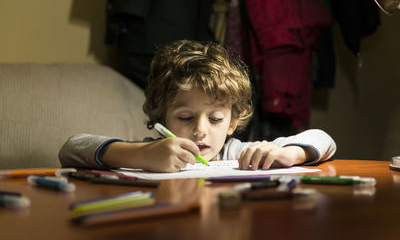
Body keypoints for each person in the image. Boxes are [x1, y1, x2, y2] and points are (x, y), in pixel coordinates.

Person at [59, 40, 336, 172]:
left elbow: (325, 140)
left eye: (215, 119)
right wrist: (138, 155)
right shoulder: (150, 153)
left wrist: (290, 153)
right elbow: (72, 147)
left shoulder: (238, 154)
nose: (200, 131)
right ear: (162, 117)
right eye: (185, 117)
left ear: (232, 122)